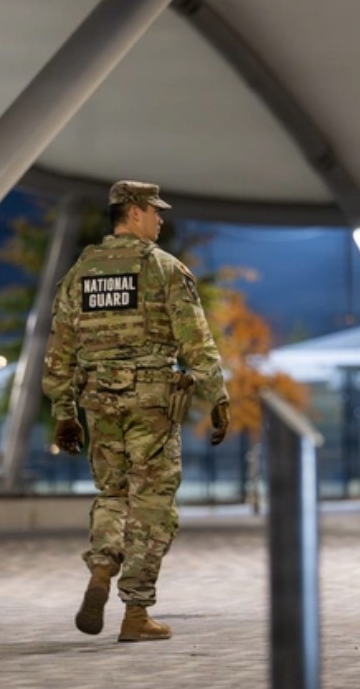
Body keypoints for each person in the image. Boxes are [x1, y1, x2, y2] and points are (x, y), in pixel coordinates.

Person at [42, 180, 230, 643]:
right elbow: (195, 340)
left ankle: (103, 566)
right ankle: (135, 611)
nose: (161, 219)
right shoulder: (163, 268)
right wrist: (218, 397)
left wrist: (64, 412)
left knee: (112, 493)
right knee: (152, 505)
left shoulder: (79, 273)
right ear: (136, 211)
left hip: (97, 400)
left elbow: (59, 351)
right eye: (156, 211)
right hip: (151, 402)